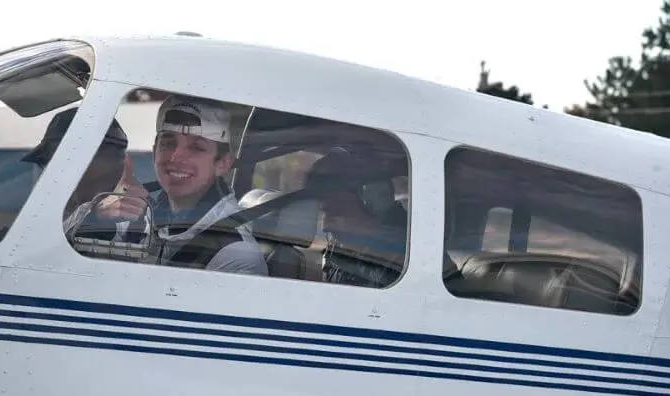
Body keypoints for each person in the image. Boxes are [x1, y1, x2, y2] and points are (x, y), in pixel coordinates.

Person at [64, 95, 269, 276]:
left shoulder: (236, 254)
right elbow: (56, 251)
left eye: (197, 148)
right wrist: (96, 215)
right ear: (154, 152)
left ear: (223, 163)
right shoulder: (139, 209)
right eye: (168, 143)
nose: (176, 157)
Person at [304, 148, 408, 288]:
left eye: (339, 211)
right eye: (325, 211)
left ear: (372, 203)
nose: (325, 226)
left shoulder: (403, 261)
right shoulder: (339, 248)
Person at [21, 108, 129, 219]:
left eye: (59, 161)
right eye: (47, 163)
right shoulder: (59, 218)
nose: (50, 173)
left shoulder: (129, 225)